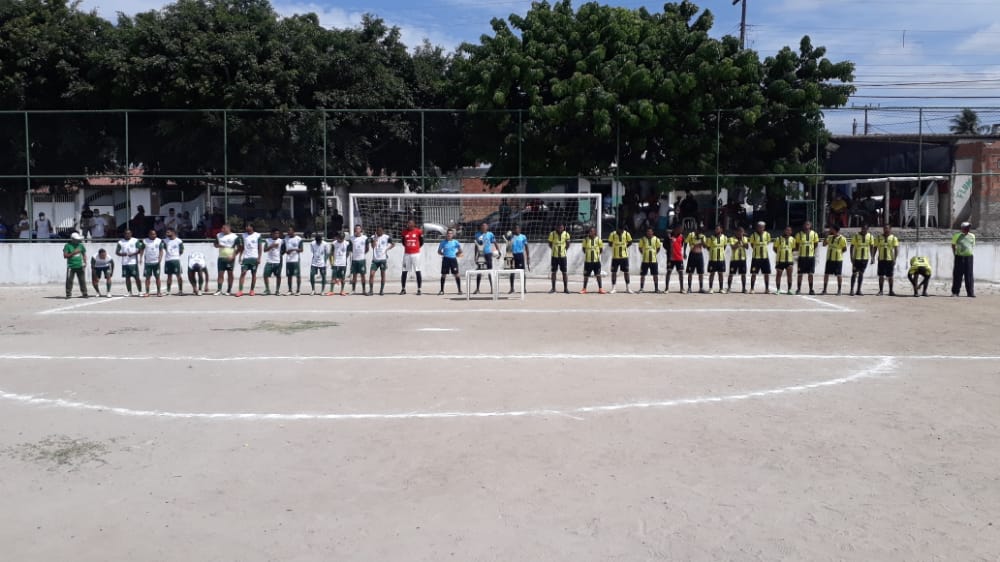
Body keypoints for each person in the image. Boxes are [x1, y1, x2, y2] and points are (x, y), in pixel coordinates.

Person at [235, 224, 262, 297]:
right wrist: (240, 257)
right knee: (243, 273)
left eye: (248, 226)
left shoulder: (257, 235)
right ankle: (240, 291)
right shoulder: (243, 235)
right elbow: (242, 247)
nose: (246, 227)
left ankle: (252, 290)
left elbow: (260, 247)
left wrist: (259, 258)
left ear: (252, 227)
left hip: (254, 258)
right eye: (246, 226)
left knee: (253, 274)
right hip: (246, 258)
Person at [873, 225, 900, 296]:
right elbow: (875, 247)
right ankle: (881, 291)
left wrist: (895, 259)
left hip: (890, 259)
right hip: (881, 259)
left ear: (890, 229)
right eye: (884, 228)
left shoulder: (893, 238)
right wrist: (873, 257)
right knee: (881, 276)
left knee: (890, 276)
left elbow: (896, 249)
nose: (886, 230)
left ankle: (891, 291)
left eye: (887, 228)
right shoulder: (878, 238)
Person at [821, 225, 848, 296]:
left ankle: (839, 290)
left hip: (838, 259)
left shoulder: (842, 238)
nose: (830, 230)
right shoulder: (830, 237)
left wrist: (838, 253)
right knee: (826, 274)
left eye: (831, 229)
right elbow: (824, 244)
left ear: (835, 230)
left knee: (839, 275)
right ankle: (824, 290)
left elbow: (845, 249)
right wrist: (826, 236)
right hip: (829, 259)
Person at [795, 221, 820, 295]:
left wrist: (810, 250)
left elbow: (816, 244)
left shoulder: (814, 234)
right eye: (805, 224)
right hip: (802, 257)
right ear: (803, 226)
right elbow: (797, 245)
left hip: (810, 257)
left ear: (810, 226)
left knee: (810, 274)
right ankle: (798, 289)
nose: (806, 226)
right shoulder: (799, 234)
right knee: (800, 274)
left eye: (808, 224)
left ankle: (811, 289)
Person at [849, 224, 875, 296]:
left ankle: (858, 290)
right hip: (856, 258)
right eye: (863, 229)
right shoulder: (856, 236)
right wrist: (851, 257)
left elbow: (871, 247)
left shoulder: (870, 236)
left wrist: (872, 257)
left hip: (865, 258)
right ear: (861, 228)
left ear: (867, 229)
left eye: (866, 229)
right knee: (854, 273)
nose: (864, 230)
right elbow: (852, 247)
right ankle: (851, 290)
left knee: (861, 273)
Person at [368, 225, 394, 296]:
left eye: (380, 230)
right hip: (375, 260)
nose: (378, 231)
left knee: (383, 275)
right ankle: (371, 291)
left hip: (383, 259)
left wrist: (387, 249)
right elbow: (373, 246)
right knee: (371, 274)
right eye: (377, 230)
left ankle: (381, 290)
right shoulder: (373, 237)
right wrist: (375, 239)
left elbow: (393, 244)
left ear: (383, 231)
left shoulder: (386, 237)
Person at [951, 221, 975, 297]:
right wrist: (955, 254)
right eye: (966, 228)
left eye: (969, 228)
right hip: (959, 257)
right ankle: (955, 292)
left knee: (969, 275)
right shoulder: (957, 235)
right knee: (957, 275)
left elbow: (972, 245)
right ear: (962, 228)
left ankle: (970, 293)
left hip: (969, 257)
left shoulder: (972, 236)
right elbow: (953, 245)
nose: (968, 229)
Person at [607, 225, 633, 294]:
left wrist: (625, 247)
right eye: (620, 230)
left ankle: (628, 288)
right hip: (615, 257)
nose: (621, 231)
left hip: (624, 257)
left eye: (623, 230)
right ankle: (613, 288)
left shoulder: (626, 234)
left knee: (626, 272)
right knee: (614, 272)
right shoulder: (612, 234)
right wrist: (615, 247)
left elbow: (630, 242)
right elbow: (609, 243)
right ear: (617, 229)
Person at [400, 219, 423, 295]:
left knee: (417, 270)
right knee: (404, 271)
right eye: (409, 223)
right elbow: (403, 242)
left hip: (416, 254)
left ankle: (419, 289)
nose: (410, 225)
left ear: (414, 224)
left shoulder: (418, 231)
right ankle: (403, 289)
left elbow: (421, 242)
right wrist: (408, 248)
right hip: (407, 254)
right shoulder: (404, 232)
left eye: (411, 223)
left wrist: (416, 248)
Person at [437, 228, 464, 295]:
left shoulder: (455, 242)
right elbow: (439, 251)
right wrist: (444, 254)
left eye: (451, 233)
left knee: (456, 274)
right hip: (445, 260)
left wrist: (456, 254)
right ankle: (442, 290)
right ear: (446, 234)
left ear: (452, 235)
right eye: (448, 233)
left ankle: (459, 290)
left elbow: (460, 251)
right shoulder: (443, 242)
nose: (449, 235)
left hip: (453, 260)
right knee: (443, 274)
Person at [213, 224, 238, 295]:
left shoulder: (234, 236)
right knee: (220, 273)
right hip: (221, 257)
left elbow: (238, 248)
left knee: (230, 273)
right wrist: (218, 245)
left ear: (228, 228)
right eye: (222, 228)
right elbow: (215, 244)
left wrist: (233, 256)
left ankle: (229, 290)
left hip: (230, 258)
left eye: (224, 228)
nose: (222, 230)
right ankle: (219, 290)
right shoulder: (219, 235)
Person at [116, 229, 142, 296]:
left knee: (137, 278)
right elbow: (117, 252)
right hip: (125, 263)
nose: (127, 235)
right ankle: (129, 292)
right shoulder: (120, 242)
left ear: (131, 234)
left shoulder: (135, 240)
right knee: (127, 278)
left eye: (129, 233)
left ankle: (140, 291)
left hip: (133, 263)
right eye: (126, 233)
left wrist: (132, 254)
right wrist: (123, 254)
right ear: (124, 234)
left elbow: (139, 250)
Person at [748, 221, 772, 295]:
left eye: (762, 227)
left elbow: (768, 242)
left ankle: (767, 289)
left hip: (765, 257)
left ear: (764, 227)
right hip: (756, 258)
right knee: (754, 273)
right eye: (759, 226)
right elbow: (752, 244)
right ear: (757, 227)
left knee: (766, 274)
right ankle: (752, 288)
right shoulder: (753, 235)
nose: (760, 228)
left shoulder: (767, 234)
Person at [474, 222, 498, 295]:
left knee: (490, 271)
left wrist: (498, 251)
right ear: (481, 227)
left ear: (487, 227)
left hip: (488, 254)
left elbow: (495, 242)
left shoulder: (490, 234)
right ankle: (477, 289)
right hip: (480, 255)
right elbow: (476, 246)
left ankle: (492, 289)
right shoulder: (477, 235)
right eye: (482, 226)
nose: (484, 227)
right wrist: (475, 255)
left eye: (485, 226)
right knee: (479, 271)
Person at [139, 228, 164, 297]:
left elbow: (161, 250)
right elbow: (142, 250)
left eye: (155, 234)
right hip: (148, 263)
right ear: (149, 234)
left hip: (156, 262)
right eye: (152, 234)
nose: (154, 235)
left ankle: (159, 292)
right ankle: (147, 292)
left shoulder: (159, 241)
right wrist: (140, 258)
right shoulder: (145, 241)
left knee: (157, 277)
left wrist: (160, 258)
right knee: (147, 278)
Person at [580, 227, 605, 294]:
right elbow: (583, 249)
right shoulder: (585, 240)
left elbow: (601, 250)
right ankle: (584, 289)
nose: (590, 232)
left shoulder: (598, 240)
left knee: (598, 275)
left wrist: (596, 254)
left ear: (595, 232)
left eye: (591, 231)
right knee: (586, 276)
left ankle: (600, 289)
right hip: (588, 261)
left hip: (596, 261)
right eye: (589, 231)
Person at [637, 226, 662, 293]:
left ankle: (656, 289)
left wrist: (654, 253)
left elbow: (658, 248)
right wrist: (644, 253)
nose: (649, 233)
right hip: (645, 260)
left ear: (653, 232)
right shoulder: (643, 239)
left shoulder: (656, 239)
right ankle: (641, 288)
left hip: (653, 260)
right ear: (646, 232)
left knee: (655, 275)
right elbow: (640, 247)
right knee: (642, 275)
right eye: (648, 232)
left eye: (650, 231)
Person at [772, 226, 796, 295]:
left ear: (791, 232)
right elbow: (775, 248)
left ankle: (789, 290)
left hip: (789, 260)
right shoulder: (778, 239)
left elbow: (793, 249)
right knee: (778, 275)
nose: (788, 231)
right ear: (784, 231)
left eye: (789, 230)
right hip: (780, 260)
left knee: (789, 275)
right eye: (787, 230)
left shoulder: (792, 239)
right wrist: (780, 254)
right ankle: (778, 289)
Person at [63, 233, 88, 298]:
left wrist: (85, 262)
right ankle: (68, 293)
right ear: (72, 239)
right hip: (71, 266)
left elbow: (84, 254)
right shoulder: (67, 246)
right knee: (69, 280)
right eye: (76, 239)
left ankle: (84, 293)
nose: (78, 241)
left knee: (82, 280)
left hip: (80, 265)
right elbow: (65, 256)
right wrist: (74, 253)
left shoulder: (81, 245)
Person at [548, 223, 571, 294]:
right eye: (559, 227)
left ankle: (566, 288)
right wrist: (554, 249)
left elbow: (568, 244)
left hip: (563, 256)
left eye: (561, 227)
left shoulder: (566, 234)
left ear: (563, 227)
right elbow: (550, 243)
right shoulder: (552, 234)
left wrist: (564, 250)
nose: (560, 229)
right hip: (554, 256)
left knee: (564, 272)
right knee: (553, 272)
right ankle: (553, 288)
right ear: (556, 227)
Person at [505, 225, 529, 294]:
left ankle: (523, 288)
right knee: (512, 272)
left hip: (520, 255)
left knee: (522, 272)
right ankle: (512, 288)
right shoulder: (511, 237)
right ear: (513, 230)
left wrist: (528, 257)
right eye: (515, 229)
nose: (516, 230)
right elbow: (508, 247)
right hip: (513, 256)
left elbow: (526, 247)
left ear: (520, 229)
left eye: (518, 228)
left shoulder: (523, 237)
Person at [705, 225, 728, 294]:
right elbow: (708, 247)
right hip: (713, 259)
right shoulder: (711, 238)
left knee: (720, 274)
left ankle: (721, 288)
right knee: (712, 274)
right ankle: (710, 288)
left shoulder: (724, 237)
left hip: (721, 259)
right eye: (716, 229)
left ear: (721, 230)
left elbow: (724, 246)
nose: (716, 230)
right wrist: (713, 252)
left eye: (718, 229)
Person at [685, 224, 707, 294]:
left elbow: (705, 247)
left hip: (699, 255)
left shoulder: (703, 236)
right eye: (699, 231)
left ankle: (701, 288)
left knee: (701, 273)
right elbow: (685, 242)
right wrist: (684, 252)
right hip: (692, 255)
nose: (699, 233)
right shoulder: (691, 235)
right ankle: (689, 288)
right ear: (696, 230)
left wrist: (702, 240)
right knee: (690, 272)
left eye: (701, 232)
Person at [727, 226, 749, 294]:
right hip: (734, 259)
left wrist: (742, 240)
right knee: (731, 274)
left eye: (742, 232)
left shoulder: (745, 238)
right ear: (736, 232)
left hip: (742, 259)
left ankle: (743, 288)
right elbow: (733, 247)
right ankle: (729, 288)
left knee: (743, 274)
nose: (741, 233)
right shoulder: (731, 239)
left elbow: (747, 247)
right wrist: (738, 241)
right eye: (739, 232)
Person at [163, 228, 185, 295]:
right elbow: (163, 248)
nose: (167, 234)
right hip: (168, 260)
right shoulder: (165, 241)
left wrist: (175, 255)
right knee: (169, 276)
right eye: (166, 232)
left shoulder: (179, 241)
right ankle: (168, 291)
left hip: (176, 260)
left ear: (173, 232)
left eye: (168, 232)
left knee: (178, 275)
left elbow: (181, 250)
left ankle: (180, 290)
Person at [349, 225, 369, 296]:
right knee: (354, 275)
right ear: (355, 230)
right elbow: (350, 248)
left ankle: (364, 290)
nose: (357, 230)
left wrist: (362, 254)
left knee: (363, 275)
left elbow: (367, 248)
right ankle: (353, 290)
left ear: (361, 230)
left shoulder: (365, 238)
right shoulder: (351, 238)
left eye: (359, 228)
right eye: (356, 229)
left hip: (362, 260)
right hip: (354, 260)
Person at [664, 225, 685, 293]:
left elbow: (681, 244)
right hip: (671, 258)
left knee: (681, 273)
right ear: (675, 229)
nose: (681, 230)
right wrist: (670, 246)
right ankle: (666, 288)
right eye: (680, 229)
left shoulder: (681, 236)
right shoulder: (669, 236)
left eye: (681, 229)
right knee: (669, 272)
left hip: (679, 257)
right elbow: (664, 245)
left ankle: (682, 288)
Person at [262, 229, 283, 296]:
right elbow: (265, 250)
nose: (277, 235)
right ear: (272, 234)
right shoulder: (268, 240)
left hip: (278, 261)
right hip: (269, 261)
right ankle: (267, 289)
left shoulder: (281, 241)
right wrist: (272, 246)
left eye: (278, 233)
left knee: (278, 276)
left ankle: (277, 290)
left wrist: (281, 254)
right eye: (275, 233)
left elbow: (284, 249)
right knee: (265, 275)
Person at [284, 226, 303, 296]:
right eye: (288, 231)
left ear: (293, 231)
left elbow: (301, 249)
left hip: (296, 260)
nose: (288, 232)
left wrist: (293, 249)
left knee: (298, 275)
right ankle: (290, 290)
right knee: (289, 276)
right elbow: (284, 249)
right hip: (288, 260)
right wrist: (286, 251)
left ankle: (298, 290)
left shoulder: (298, 239)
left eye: (290, 230)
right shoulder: (286, 238)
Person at [329, 231, 350, 296]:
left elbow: (348, 253)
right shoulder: (334, 243)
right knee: (333, 278)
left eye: (342, 238)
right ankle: (331, 291)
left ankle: (342, 291)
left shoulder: (347, 243)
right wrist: (331, 263)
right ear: (337, 237)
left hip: (343, 264)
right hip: (335, 263)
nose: (341, 240)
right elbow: (331, 254)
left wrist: (343, 259)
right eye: (340, 238)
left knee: (343, 278)